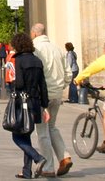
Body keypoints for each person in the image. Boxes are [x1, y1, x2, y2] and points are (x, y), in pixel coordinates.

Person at [6, 31, 51, 179]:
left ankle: (38, 157)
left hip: (22, 102)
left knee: (17, 136)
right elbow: (42, 86)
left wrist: (12, 82)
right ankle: (26, 171)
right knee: (26, 135)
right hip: (35, 102)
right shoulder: (37, 61)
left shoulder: (18, 60)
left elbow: (18, 83)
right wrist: (45, 106)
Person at [30, 23, 72, 178]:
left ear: (34, 34)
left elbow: (35, 74)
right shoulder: (57, 48)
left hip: (43, 95)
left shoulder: (35, 49)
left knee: (42, 132)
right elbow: (68, 72)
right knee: (52, 127)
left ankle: (48, 166)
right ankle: (64, 157)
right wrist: (61, 87)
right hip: (57, 94)